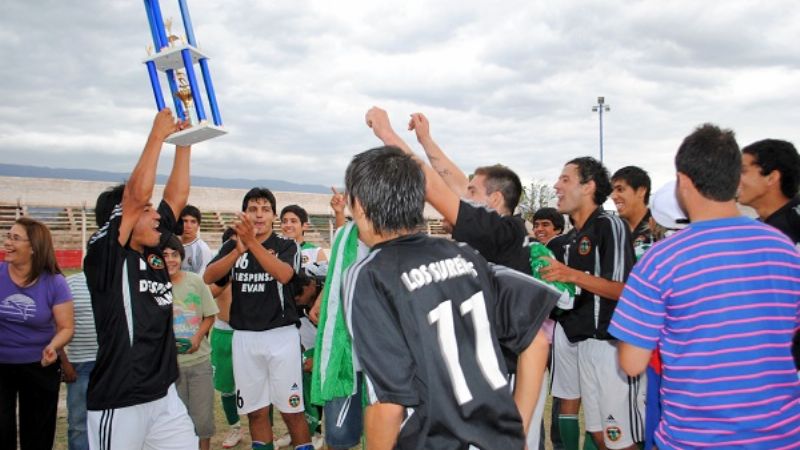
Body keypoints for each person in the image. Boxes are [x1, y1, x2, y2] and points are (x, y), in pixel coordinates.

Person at [343, 145, 558, 449]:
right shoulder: (466, 255)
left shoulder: (369, 274)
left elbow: (388, 404)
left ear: (360, 206)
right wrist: (519, 430)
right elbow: (536, 340)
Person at [610, 124, 800, 449]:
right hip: (782, 435)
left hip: (696, 437)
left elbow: (631, 362)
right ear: (734, 181)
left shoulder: (661, 259)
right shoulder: (783, 247)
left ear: (684, 182)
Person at [83, 109, 197, 449]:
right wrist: (157, 135)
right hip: (120, 400)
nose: (156, 215)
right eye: (148, 209)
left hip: (163, 396)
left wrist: (184, 142)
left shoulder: (152, 249)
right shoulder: (105, 255)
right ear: (123, 220)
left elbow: (175, 198)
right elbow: (134, 198)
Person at [540, 157, 642, 450]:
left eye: (565, 179)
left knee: (619, 440)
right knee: (600, 437)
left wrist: (571, 275)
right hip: (582, 343)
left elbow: (626, 290)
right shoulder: (572, 238)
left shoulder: (610, 225)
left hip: (611, 346)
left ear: (589, 187)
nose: (557, 186)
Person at [204, 187, 313, 450]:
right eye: (253, 209)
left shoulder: (286, 245)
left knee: (292, 411)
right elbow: (209, 277)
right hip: (244, 338)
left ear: (274, 215)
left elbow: (285, 275)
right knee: (256, 412)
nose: (259, 214)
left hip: (281, 336)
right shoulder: (233, 246)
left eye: (265, 209)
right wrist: (237, 251)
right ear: (245, 214)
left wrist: (252, 244)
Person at [0, 217, 73, 450]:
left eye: (15, 238)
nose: (7, 242)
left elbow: (66, 327)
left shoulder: (55, 282)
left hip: (40, 364)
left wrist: (53, 346)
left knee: (38, 435)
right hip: (2, 365)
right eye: (8, 236)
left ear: (33, 247)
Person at [163, 235, 218, 450]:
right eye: (164, 255)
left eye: (174, 255)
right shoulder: (153, 287)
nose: (170, 260)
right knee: (176, 422)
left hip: (199, 363)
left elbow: (210, 315)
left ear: (181, 257)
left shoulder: (195, 281)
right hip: (169, 367)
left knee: (202, 421)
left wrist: (197, 337)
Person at [209, 228, 244, 448]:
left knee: (259, 385)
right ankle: (235, 428)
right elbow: (209, 292)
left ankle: (265, 428)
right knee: (226, 386)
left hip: (247, 332)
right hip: (223, 332)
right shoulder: (219, 273)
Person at [61, 271, 98, 450]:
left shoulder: (121, 280)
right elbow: (57, 325)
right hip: (81, 365)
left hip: (113, 364)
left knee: (114, 421)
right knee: (79, 424)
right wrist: (65, 362)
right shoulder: (71, 283)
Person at [610, 166, 654, 259]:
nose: (613, 196)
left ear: (641, 191)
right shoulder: (612, 229)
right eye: (612, 191)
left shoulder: (658, 228)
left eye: (620, 189)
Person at [180, 204, 214, 275]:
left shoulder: (203, 250)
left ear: (198, 225)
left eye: (193, 222)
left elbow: (203, 280)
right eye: (185, 221)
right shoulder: (171, 244)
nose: (188, 226)